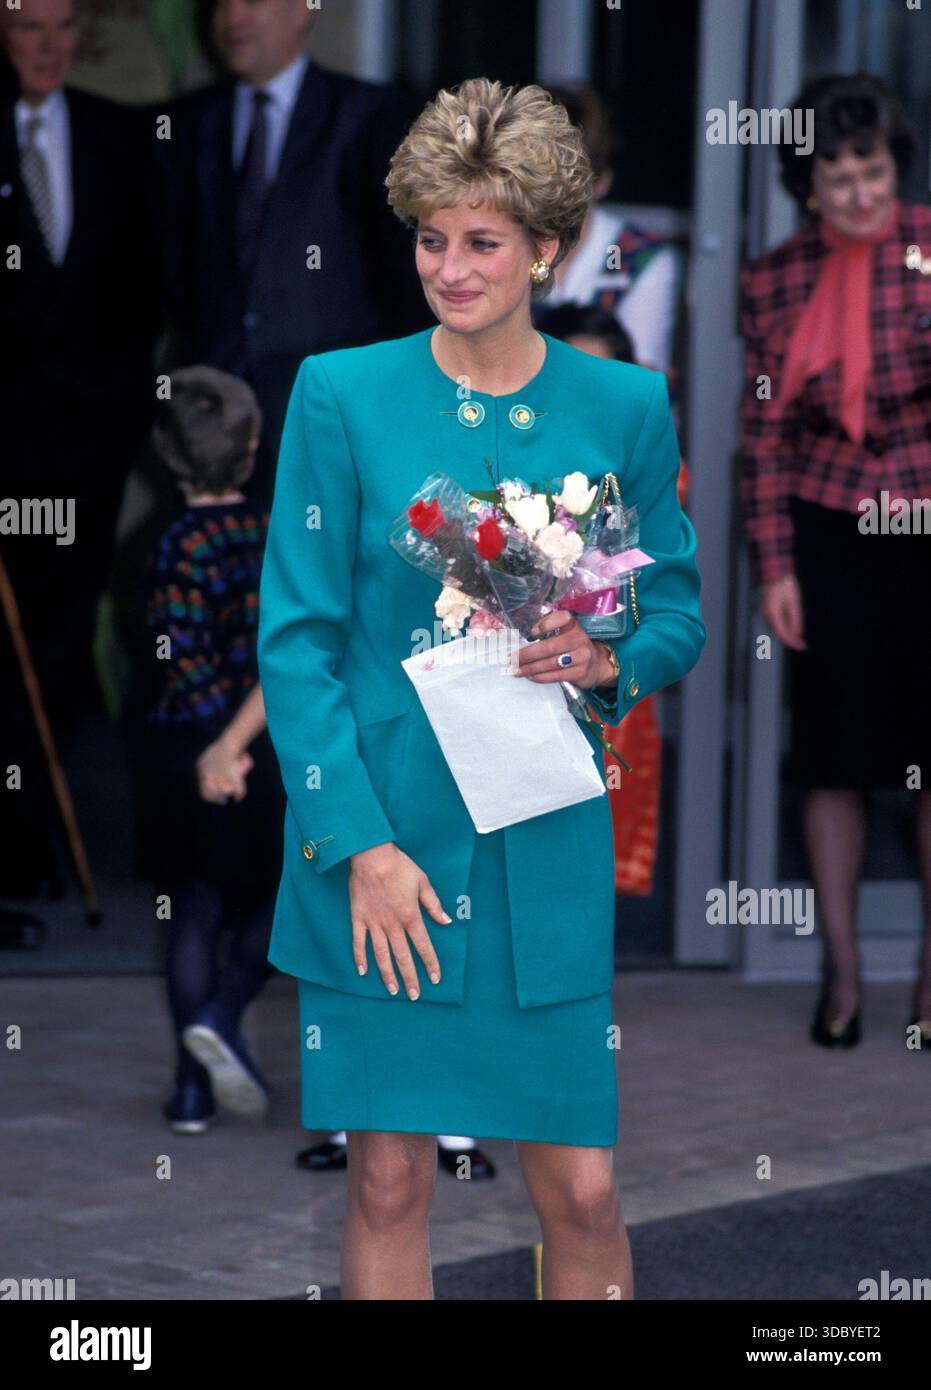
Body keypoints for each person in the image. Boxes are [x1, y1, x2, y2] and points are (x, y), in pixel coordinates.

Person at [257, 77, 705, 1300]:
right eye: (430, 238)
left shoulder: (624, 402)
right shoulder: (339, 393)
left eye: (483, 243)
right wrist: (355, 844)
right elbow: (294, 644)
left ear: (548, 248)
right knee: (390, 1182)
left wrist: (613, 656)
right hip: (385, 849)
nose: (448, 268)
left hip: (541, 844)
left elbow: (674, 610)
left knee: (585, 1193)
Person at [738, 72, 931, 1050]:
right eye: (837, 173)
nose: (859, 190)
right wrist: (774, 567)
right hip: (827, 536)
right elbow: (762, 439)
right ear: (805, 181)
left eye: (873, 168)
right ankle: (843, 973)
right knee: (835, 761)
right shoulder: (771, 278)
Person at [0, 0, 161, 902]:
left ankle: (30, 847)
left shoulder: (118, 133)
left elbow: (147, 285)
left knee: (57, 642)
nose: (48, 46)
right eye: (28, 27)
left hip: (84, 451)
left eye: (63, 27)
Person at [156, 0, 433, 506]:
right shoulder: (186, 123)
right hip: (209, 414)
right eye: (221, 4)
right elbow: (170, 265)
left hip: (324, 408)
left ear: (304, 11)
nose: (232, 18)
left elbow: (401, 270)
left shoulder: (369, 114)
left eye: (252, 2)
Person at [135, 366, 284, 1133]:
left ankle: (191, 1089)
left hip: (185, 750)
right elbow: (293, 645)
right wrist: (241, 748)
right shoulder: (279, 534)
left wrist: (210, 751)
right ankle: (226, 1010)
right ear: (253, 451)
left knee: (190, 908)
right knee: (287, 894)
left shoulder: (167, 549)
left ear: (167, 457)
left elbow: (174, 654)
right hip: (273, 742)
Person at [537, 302, 692, 898]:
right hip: (517, 669)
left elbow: (672, 604)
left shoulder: (654, 473)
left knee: (596, 858)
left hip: (609, 671)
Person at [533, 83, 683, 377]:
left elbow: (634, 387)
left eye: (570, 180)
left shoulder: (643, 258)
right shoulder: (496, 247)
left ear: (602, 181)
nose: (551, 197)